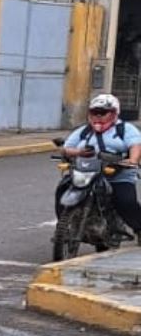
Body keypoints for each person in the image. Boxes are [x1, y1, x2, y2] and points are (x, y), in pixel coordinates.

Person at [58, 93, 141, 235]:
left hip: (117, 173)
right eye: (94, 112)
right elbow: (67, 148)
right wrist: (77, 152)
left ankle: (139, 228)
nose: (98, 116)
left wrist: (133, 160)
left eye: (102, 113)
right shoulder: (84, 131)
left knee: (125, 201)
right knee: (62, 189)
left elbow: (135, 145)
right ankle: (66, 225)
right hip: (86, 172)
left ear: (114, 113)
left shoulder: (125, 129)